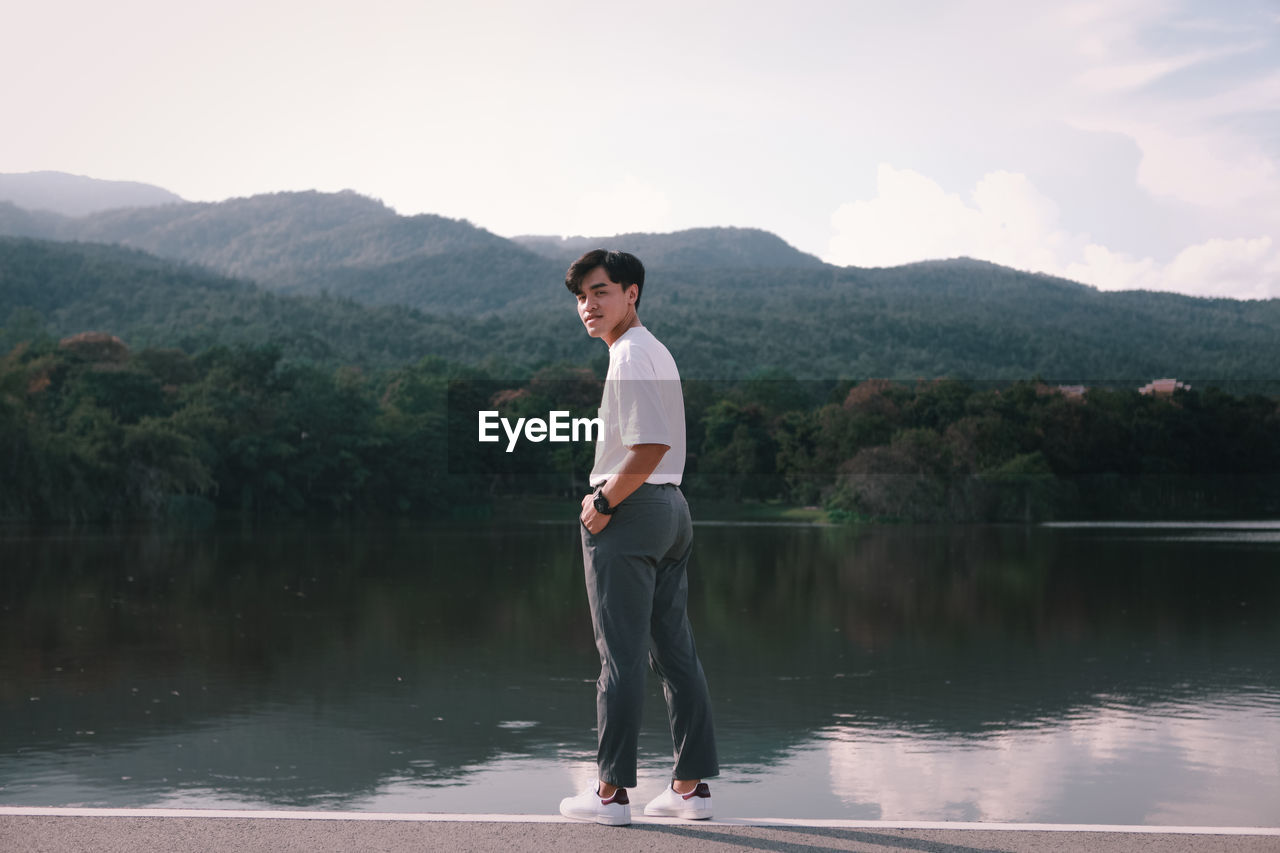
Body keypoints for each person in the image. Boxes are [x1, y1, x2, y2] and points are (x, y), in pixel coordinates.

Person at [558, 249, 719, 826]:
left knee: (620, 657)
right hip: (672, 509)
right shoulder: (656, 351)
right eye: (581, 297)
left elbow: (648, 446)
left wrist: (602, 502)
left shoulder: (628, 355)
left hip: (632, 511)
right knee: (675, 654)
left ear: (632, 294)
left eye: (600, 292)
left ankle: (609, 797)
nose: (588, 306)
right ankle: (690, 789)